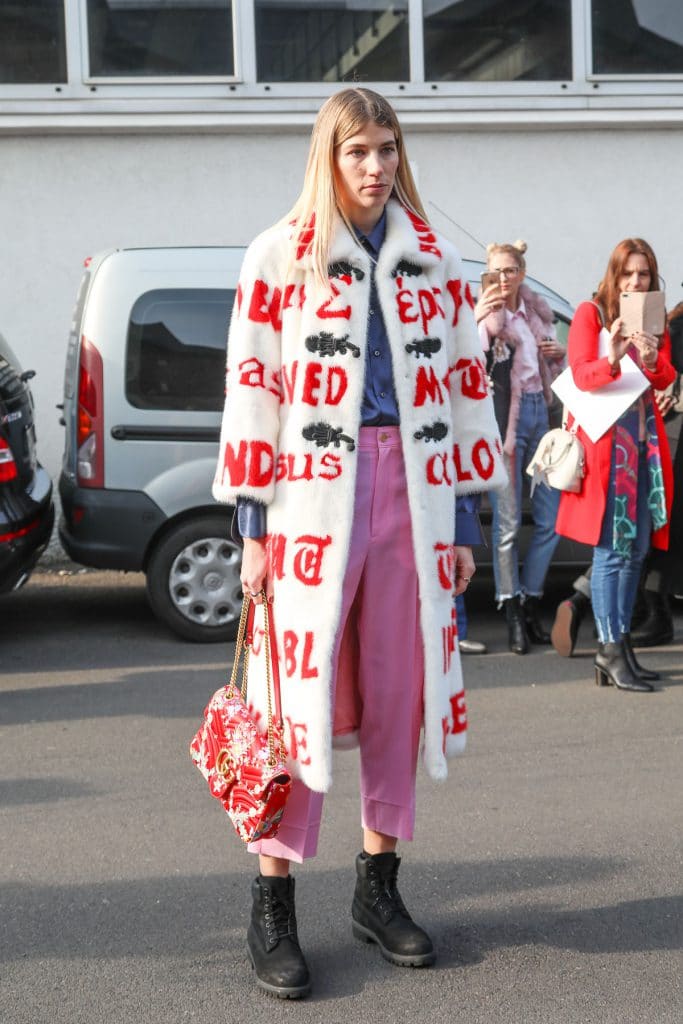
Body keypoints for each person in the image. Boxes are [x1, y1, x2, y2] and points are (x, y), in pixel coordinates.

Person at [211, 88, 506, 998]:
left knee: (395, 691)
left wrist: (459, 526)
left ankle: (378, 890)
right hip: (306, 503)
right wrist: (253, 528)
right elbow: (253, 391)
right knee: (291, 694)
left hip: (411, 503)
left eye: (386, 149)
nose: (375, 167)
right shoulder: (280, 255)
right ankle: (273, 906)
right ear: (327, 159)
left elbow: (461, 398)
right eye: (356, 152)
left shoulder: (434, 263)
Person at [555, 238, 675, 691]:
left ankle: (620, 645)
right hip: (608, 453)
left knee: (637, 552)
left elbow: (665, 375)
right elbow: (582, 374)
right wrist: (614, 354)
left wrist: (648, 357)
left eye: (643, 274)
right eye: (628, 273)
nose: (636, 281)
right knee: (609, 554)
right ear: (614, 274)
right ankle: (608, 647)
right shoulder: (592, 313)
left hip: (643, 451)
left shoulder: (653, 315)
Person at [474, 240, 566, 654]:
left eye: (511, 270)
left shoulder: (535, 314)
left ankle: (530, 598)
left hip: (539, 415)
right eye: (497, 271)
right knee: (508, 523)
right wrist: (479, 319)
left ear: (522, 273)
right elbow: (470, 363)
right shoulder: (485, 317)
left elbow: (557, 372)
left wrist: (557, 355)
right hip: (504, 423)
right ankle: (511, 609)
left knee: (549, 520)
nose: (505, 278)